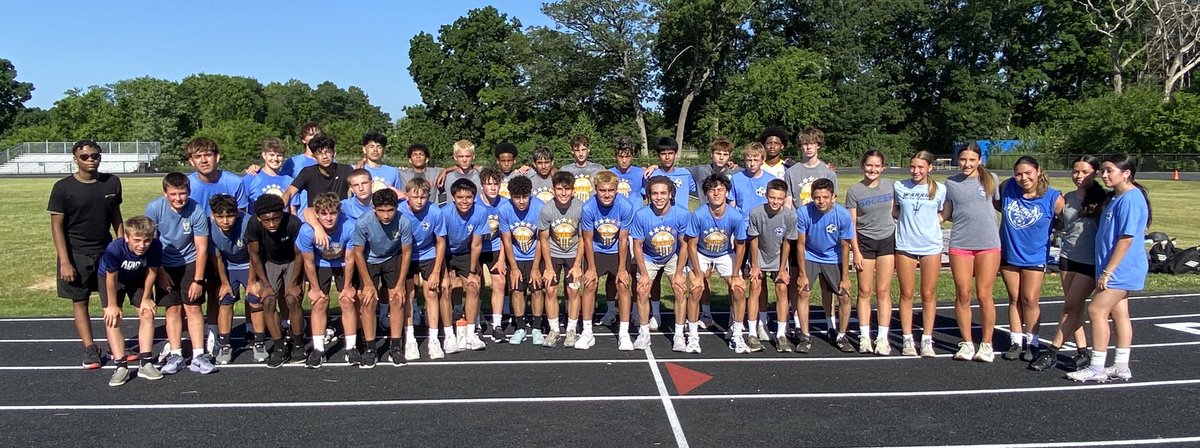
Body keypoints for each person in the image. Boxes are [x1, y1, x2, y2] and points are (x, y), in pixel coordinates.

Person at [1067, 153, 1150, 382]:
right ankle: (1121, 365)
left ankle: (1097, 367)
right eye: (1102, 170)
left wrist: (1108, 271)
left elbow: (1126, 239)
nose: (1103, 175)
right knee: (1119, 312)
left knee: (1096, 310)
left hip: (1122, 268)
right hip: (1114, 266)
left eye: (1109, 171)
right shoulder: (1116, 197)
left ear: (1126, 173)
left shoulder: (1131, 198)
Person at [48, 140, 124, 369]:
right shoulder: (63, 187)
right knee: (80, 300)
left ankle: (115, 343)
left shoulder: (112, 182)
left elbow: (116, 216)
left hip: (105, 251)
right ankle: (90, 347)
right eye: (85, 157)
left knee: (111, 299)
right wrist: (65, 261)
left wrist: (122, 246)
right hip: (76, 253)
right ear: (76, 159)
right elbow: (56, 226)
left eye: (95, 156)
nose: (90, 160)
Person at [1030, 156, 1102, 371]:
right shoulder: (1067, 198)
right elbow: (1060, 223)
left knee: (1070, 306)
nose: (1079, 176)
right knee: (1074, 307)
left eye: (1085, 172)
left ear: (1095, 173)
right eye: (1076, 171)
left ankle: (1052, 352)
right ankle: (1082, 352)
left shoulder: (1104, 199)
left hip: (1089, 260)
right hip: (1068, 257)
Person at [997, 156, 1065, 366]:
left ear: (1038, 172)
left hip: (1035, 255)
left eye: (1028, 173)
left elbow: (1066, 222)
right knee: (1014, 298)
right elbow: (995, 203)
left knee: (1030, 299)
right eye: (1019, 174)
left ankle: (1033, 342)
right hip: (1009, 252)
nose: (1023, 178)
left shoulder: (1053, 197)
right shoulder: (1007, 188)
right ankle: (1015, 341)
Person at [144, 172, 215, 374]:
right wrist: (160, 273)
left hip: (190, 261)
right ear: (165, 193)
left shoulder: (197, 210)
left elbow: (201, 247)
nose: (178, 198)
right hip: (163, 263)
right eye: (173, 194)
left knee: (193, 307)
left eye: (182, 193)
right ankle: (176, 355)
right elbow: (150, 245)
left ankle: (198, 355)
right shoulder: (154, 209)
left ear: (189, 192)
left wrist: (198, 280)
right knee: (172, 309)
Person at [941, 143, 1002, 363]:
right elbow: (946, 214)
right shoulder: (950, 183)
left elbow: (1000, 205)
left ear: (979, 160)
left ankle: (986, 344)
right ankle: (966, 343)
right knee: (963, 294)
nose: (967, 164)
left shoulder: (991, 179)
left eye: (972, 160)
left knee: (984, 294)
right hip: (960, 244)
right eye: (963, 160)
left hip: (988, 244)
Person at [630, 176, 697, 351]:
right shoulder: (641, 215)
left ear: (670, 194)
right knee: (642, 289)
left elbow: (684, 244)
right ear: (649, 195)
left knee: (680, 289)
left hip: (673, 255)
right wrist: (644, 274)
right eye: (654, 193)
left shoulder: (682, 213)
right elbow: (637, 246)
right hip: (648, 256)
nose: (659, 197)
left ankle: (679, 334)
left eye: (663, 193)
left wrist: (679, 273)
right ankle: (644, 333)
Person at [349, 189, 414, 368]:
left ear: (396, 208)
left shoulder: (404, 222)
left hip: (393, 258)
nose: (386, 215)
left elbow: (407, 252)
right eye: (381, 211)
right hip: (369, 260)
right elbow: (358, 253)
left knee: (398, 299)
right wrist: (368, 284)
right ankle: (370, 348)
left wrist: (400, 284)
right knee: (368, 301)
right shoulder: (363, 222)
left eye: (390, 210)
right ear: (374, 208)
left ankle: (396, 347)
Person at [294, 193, 358, 368]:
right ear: (317, 214)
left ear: (339, 213)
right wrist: (314, 288)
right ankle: (318, 349)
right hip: (320, 263)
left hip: (342, 263)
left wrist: (347, 286)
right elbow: (308, 262)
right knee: (319, 302)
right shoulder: (307, 231)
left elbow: (350, 259)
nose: (329, 218)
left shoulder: (349, 227)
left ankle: (351, 348)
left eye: (333, 213)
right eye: (324, 214)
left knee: (347, 300)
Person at [892, 151, 946, 358]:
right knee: (906, 294)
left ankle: (926, 339)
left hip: (931, 246)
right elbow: (895, 211)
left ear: (930, 168)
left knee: (928, 294)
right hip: (905, 244)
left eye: (920, 167)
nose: (916, 171)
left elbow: (944, 212)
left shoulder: (940, 189)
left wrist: (930, 223)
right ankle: (907, 338)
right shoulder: (900, 186)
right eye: (913, 167)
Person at [98, 216, 161, 386]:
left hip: (138, 277)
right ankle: (120, 366)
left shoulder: (155, 246)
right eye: (137, 240)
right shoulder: (115, 249)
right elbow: (111, 278)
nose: (142, 245)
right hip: (112, 279)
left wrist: (146, 298)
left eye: (146, 241)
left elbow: (152, 272)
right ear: (126, 237)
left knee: (147, 313)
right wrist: (112, 305)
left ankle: (146, 362)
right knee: (112, 318)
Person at [795, 178, 856, 353]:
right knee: (803, 292)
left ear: (833, 197)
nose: (821, 201)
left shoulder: (842, 215)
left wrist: (845, 277)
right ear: (811, 197)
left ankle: (841, 335)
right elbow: (800, 244)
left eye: (825, 197)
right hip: (810, 254)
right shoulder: (803, 212)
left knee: (844, 296)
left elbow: (845, 247)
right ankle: (805, 336)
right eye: (817, 197)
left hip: (833, 257)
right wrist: (802, 274)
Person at [689, 174, 748, 354]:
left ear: (727, 192)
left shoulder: (735, 216)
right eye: (711, 190)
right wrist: (698, 273)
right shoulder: (698, 215)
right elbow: (691, 245)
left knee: (739, 288)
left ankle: (736, 333)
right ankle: (693, 336)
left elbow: (740, 245)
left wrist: (736, 274)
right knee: (696, 288)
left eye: (720, 189)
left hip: (724, 253)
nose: (716, 193)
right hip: (701, 252)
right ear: (706, 194)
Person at [244, 195, 304, 368]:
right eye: (266, 220)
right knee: (268, 301)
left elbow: (300, 254)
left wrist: (293, 283)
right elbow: (254, 255)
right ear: (259, 219)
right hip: (269, 261)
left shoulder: (293, 223)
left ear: (282, 214)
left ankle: (298, 344)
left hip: (292, 260)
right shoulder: (253, 224)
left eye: (275, 219)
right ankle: (279, 346)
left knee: (292, 299)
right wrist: (264, 284)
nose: (271, 224)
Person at [845, 150, 895, 355]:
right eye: (869, 165)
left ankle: (882, 338)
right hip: (864, 243)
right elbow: (851, 224)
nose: (872, 169)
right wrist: (855, 251)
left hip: (887, 240)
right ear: (862, 166)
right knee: (865, 291)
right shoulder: (854, 191)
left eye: (876, 166)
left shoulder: (891, 186)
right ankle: (865, 336)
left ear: (882, 168)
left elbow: (898, 210)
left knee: (883, 290)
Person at [580, 171, 635, 350]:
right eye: (602, 190)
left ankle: (624, 333)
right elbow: (587, 239)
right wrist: (591, 268)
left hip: (617, 249)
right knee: (589, 284)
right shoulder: (588, 208)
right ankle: (587, 332)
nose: (606, 194)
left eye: (611, 190)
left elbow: (623, 239)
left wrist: (622, 268)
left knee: (623, 285)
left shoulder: (625, 206)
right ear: (595, 189)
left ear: (616, 189)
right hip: (596, 249)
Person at [745, 179, 797, 353]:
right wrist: (755, 265)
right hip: (759, 254)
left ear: (784, 198)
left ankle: (781, 334)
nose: (775, 201)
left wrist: (782, 269)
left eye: (779, 198)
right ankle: (752, 333)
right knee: (755, 287)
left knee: (782, 289)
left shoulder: (790, 216)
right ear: (766, 195)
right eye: (772, 197)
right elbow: (754, 240)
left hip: (779, 256)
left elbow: (787, 243)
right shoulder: (756, 213)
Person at [440, 179, 491, 352]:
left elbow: (476, 244)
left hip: (464, 251)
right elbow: (439, 243)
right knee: (445, 287)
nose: (464, 201)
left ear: (474, 198)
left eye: (468, 197)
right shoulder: (444, 213)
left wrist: (472, 271)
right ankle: (449, 336)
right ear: (453, 198)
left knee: (473, 285)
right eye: (460, 197)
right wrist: (444, 272)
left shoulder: (480, 212)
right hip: (444, 252)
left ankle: (471, 333)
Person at [400, 178, 448, 360]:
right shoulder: (399, 211)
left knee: (431, 292)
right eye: (415, 197)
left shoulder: (435, 212)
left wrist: (436, 271)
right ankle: (410, 339)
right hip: (406, 255)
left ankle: (434, 339)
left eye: (423, 197)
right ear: (407, 196)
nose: (419, 201)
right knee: (409, 294)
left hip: (428, 253)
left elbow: (441, 241)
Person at [537, 172, 586, 348]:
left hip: (573, 253)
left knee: (573, 290)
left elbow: (583, 238)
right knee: (550, 290)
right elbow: (543, 239)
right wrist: (548, 267)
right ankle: (554, 329)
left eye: (567, 189)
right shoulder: (547, 209)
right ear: (553, 190)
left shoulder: (580, 208)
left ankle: (571, 329)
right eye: (559, 189)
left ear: (573, 191)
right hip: (553, 253)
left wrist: (578, 264)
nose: (563, 193)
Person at [499, 176, 548, 345]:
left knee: (537, 290)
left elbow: (541, 239)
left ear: (530, 194)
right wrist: (513, 267)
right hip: (516, 256)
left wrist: (535, 268)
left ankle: (536, 327)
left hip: (535, 255)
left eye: (525, 197)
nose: (521, 201)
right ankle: (520, 327)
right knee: (517, 290)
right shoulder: (504, 210)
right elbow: (506, 240)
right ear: (510, 196)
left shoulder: (539, 207)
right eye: (517, 197)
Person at [206, 195, 254, 365]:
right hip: (227, 265)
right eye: (220, 217)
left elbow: (254, 254)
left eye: (230, 216)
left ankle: (253, 335)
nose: (226, 221)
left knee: (254, 297)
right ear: (213, 215)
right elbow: (217, 257)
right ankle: (225, 343)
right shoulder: (209, 226)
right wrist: (225, 283)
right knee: (225, 299)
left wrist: (252, 281)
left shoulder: (248, 222)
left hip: (248, 263)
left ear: (238, 213)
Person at [476, 167, 509, 343]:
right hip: (477, 248)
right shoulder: (474, 203)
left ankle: (497, 324)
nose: (493, 187)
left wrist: (502, 259)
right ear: (482, 185)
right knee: (476, 284)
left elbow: (505, 236)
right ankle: (475, 322)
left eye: (496, 183)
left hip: (496, 246)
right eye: (489, 184)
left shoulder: (505, 204)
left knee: (500, 281)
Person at [283, 134, 353, 212]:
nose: (324, 157)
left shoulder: (346, 170)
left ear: (334, 153)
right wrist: (278, 209)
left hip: (339, 213)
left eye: (328, 152)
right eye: (319, 154)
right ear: (314, 157)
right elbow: (290, 192)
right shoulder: (308, 172)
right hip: (316, 215)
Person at [784, 128, 837, 209]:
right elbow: (788, 201)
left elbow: (833, 201)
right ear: (800, 146)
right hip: (798, 215)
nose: (808, 147)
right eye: (805, 144)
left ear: (818, 145)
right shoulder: (790, 172)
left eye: (812, 143)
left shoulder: (829, 172)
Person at [243, 137, 295, 214]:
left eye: (279, 155)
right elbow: (241, 207)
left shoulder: (290, 181)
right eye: (271, 155)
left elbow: (293, 211)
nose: (275, 159)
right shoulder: (251, 178)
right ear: (264, 155)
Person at [647, 137, 696, 209]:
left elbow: (698, 190)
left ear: (675, 154)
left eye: (670, 153)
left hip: (682, 215)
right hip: (658, 215)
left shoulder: (685, 174)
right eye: (663, 154)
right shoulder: (650, 175)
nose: (667, 157)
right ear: (658, 155)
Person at [559, 134, 607, 203]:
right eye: (577, 150)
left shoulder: (599, 169)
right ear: (572, 151)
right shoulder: (565, 170)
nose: (581, 154)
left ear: (588, 149)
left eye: (583, 150)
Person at [729, 142, 777, 212]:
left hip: (763, 218)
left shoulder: (771, 180)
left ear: (763, 160)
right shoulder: (735, 179)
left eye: (756, 160)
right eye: (749, 160)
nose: (752, 164)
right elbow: (732, 205)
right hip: (743, 218)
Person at [610, 137, 646, 207]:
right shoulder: (609, 174)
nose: (624, 161)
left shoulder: (641, 173)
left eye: (627, 157)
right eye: (621, 157)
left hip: (635, 213)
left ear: (633, 156)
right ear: (615, 156)